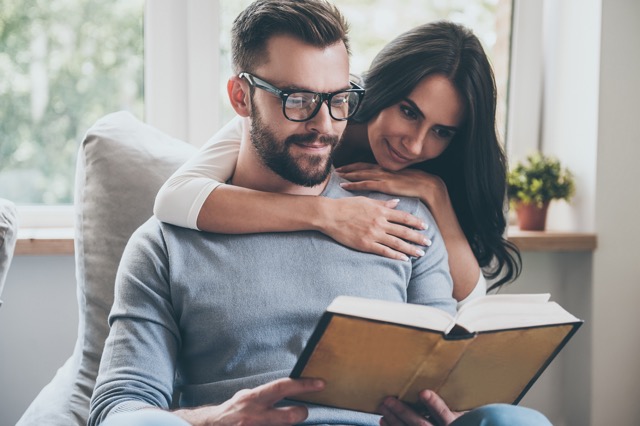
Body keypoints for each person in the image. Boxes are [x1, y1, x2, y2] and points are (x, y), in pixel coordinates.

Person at [90, 1, 549, 425]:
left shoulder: (405, 218)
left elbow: (446, 373)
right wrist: (213, 418)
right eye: (297, 100)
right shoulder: (165, 243)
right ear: (240, 98)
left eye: (337, 99)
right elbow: (117, 409)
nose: (324, 125)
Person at [154, 20, 521, 306]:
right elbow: (175, 197)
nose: (415, 143)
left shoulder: (435, 175)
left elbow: (469, 301)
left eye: (442, 131)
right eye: (408, 112)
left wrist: (434, 194)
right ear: (384, 89)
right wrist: (328, 215)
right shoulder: (308, 109)